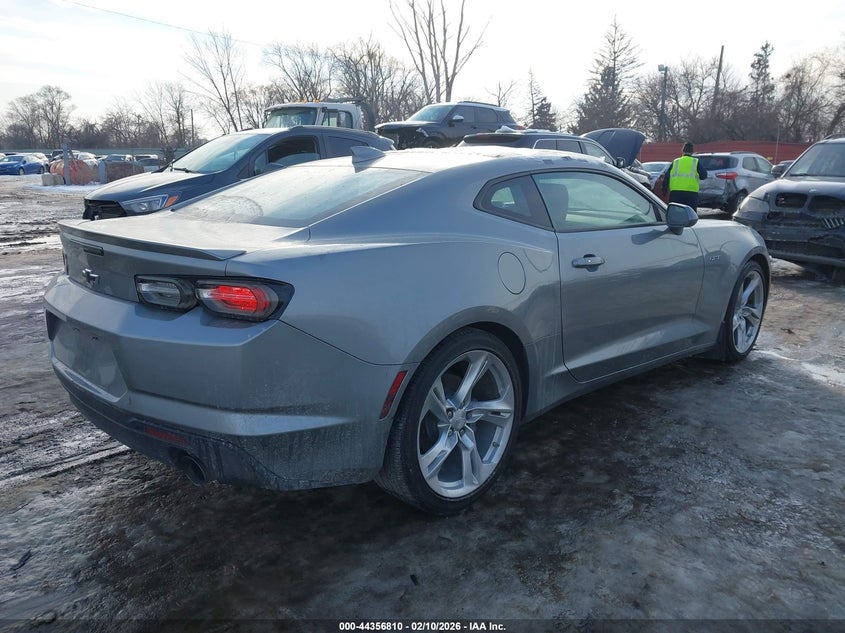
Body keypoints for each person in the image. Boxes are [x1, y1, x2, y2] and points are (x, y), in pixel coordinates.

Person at [661, 141, 707, 210]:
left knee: (675, 215)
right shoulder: (695, 162)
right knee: (690, 217)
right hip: (691, 194)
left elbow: (666, 177)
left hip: (675, 194)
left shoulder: (675, 162)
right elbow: (704, 176)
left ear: (683, 151)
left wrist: (664, 190)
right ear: (692, 152)